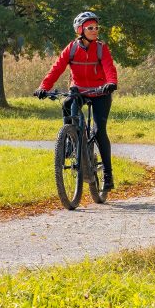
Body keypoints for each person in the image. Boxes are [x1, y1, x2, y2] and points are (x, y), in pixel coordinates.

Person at [35, 11, 119, 191]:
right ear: (80, 30)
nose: (95, 30)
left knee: (99, 131)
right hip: (79, 90)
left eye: (97, 27)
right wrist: (44, 87)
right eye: (90, 28)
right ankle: (70, 138)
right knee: (67, 104)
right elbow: (56, 68)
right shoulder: (71, 48)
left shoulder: (101, 48)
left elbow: (109, 67)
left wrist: (111, 83)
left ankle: (108, 175)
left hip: (100, 92)